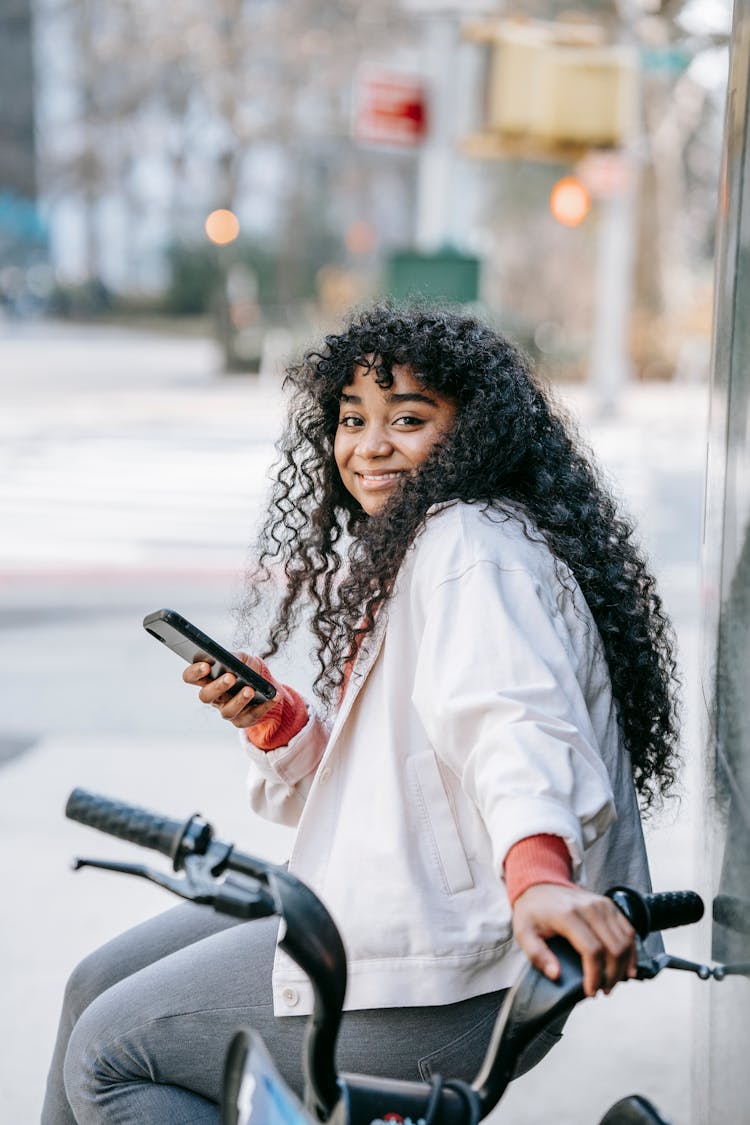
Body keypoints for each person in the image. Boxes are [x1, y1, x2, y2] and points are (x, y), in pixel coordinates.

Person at [43, 303, 680, 1124]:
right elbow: (408, 781)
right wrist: (284, 727)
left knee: (110, 1050)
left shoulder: (469, 546)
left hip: (460, 963)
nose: (369, 446)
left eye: (408, 418)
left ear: (475, 431)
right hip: (405, 908)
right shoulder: (431, 543)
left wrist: (538, 879)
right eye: (352, 419)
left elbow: (515, 724)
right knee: (92, 985)